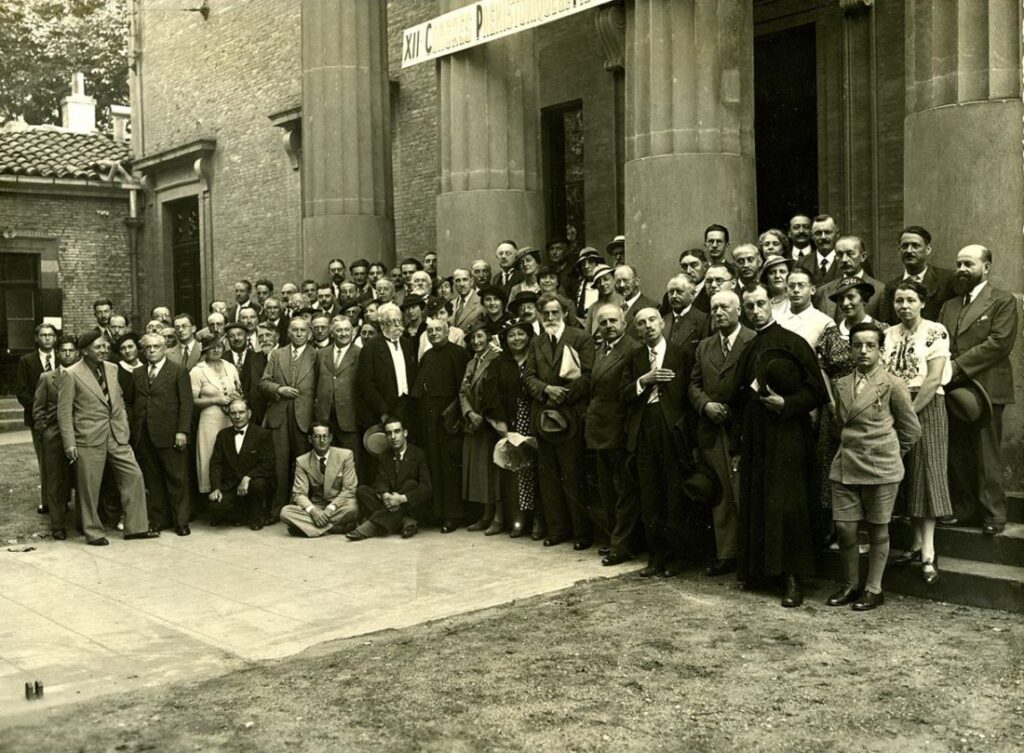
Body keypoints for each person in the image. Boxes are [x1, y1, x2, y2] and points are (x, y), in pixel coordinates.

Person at [732, 285, 828, 607]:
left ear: (774, 304)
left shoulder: (794, 343)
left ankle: (792, 578)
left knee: (789, 504)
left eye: (761, 304)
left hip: (788, 435)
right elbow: (739, 397)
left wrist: (786, 403)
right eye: (750, 306)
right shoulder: (749, 348)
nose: (756, 310)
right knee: (760, 499)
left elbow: (817, 392)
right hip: (757, 437)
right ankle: (762, 572)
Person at [829, 322, 921, 610]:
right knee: (845, 528)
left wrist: (888, 454)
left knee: (878, 529)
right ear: (851, 349)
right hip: (846, 464)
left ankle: (874, 588)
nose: (864, 351)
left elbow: (910, 430)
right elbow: (837, 424)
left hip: (880, 466)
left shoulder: (893, 384)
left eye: (871, 346)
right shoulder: (840, 383)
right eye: (857, 345)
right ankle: (851, 584)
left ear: (881, 350)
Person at [938, 245, 1019, 534]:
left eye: (968, 264)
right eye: (958, 263)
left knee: (986, 452)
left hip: (986, 387)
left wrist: (957, 366)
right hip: (954, 388)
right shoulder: (949, 306)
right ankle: (966, 510)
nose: (961, 269)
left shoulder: (1002, 300)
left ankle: (993, 515)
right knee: (958, 451)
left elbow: (999, 343)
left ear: (986, 267)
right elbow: (939, 342)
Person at [883, 280, 953, 583]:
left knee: (925, 475)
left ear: (922, 302)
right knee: (906, 475)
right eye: (899, 301)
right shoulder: (887, 334)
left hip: (927, 408)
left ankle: (929, 553)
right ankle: (914, 544)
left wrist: (909, 414)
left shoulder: (935, 331)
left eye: (911, 300)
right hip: (896, 408)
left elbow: (934, 378)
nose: (905, 306)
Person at [57, 330, 157, 546]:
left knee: (134, 476)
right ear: (84, 351)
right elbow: (64, 413)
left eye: (105, 346)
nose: (104, 350)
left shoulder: (112, 369)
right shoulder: (71, 374)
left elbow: (117, 399)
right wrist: (69, 443)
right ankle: (93, 532)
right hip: (88, 438)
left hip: (117, 435)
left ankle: (136, 528)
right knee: (89, 488)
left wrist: (124, 427)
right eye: (99, 347)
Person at [688, 291, 755, 576]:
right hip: (713, 429)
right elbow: (693, 384)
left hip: (742, 427)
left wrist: (732, 407)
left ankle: (750, 556)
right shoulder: (704, 346)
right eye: (714, 308)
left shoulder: (752, 340)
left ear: (739, 310)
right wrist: (706, 405)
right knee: (722, 495)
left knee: (745, 491)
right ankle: (726, 554)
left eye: (724, 307)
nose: (717, 312)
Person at [622, 307, 691, 577]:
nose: (648, 325)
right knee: (650, 495)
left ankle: (676, 557)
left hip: (672, 430)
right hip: (644, 428)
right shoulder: (635, 357)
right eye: (641, 323)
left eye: (652, 320)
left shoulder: (680, 353)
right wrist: (644, 380)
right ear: (637, 330)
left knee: (674, 493)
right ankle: (656, 557)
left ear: (662, 324)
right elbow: (623, 393)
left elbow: (688, 393)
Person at [524, 292, 595, 549]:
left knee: (573, 473)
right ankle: (557, 529)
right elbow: (529, 376)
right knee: (549, 476)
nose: (550, 317)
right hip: (543, 416)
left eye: (555, 312)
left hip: (571, 415)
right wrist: (546, 390)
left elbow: (587, 375)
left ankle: (582, 532)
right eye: (546, 313)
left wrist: (561, 395)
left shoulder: (580, 337)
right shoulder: (537, 342)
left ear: (564, 313)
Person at [585, 304, 639, 565]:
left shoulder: (631, 349)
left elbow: (627, 392)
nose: (608, 325)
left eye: (612, 321)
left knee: (622, 491)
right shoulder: (600, 350)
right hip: (599, 430)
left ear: (624, 323)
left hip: (619, 429)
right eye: (603, 322)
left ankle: (622, 544)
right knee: (607, 490)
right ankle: (612, 538)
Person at [127, 334, 194, 535]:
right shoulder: (137, 373)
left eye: (157, 346)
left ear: (165, 348)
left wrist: (182, 431)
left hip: (170, 433)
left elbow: (186, 403)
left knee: (177, 478)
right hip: (144, 434)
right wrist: (134, 424)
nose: (152, 350)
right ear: (143, 350)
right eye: (148, 347)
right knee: (153, 479)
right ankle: (159, 519)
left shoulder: (178, 371)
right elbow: (131, 401)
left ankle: (181, 521)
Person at [411, 317, 470, 531]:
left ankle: (452, 515)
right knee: (433, 466)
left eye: (438, 330)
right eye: (430, 330)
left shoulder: (458, 353)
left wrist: (453, 418)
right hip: (429, 420)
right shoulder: (427, 355)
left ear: (448, 332)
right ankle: (437, 512)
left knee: (449, 468)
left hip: (448, 420)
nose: (434, 333)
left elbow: (462, 390)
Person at [485, 318, 540, 538]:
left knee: (535, 470)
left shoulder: (536, 359)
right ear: (505, 340)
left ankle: (537, 519)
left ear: (528, 336)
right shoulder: (498, 363)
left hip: (533, 421)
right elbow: (490, 395)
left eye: (520, 334)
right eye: (511, 335)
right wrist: (501, 425)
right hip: (508, 422)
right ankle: (517, 520)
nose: (516, 339)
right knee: (512, 472)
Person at [260, 316, 317, 519]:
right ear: (288, 332)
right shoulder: (277, 354)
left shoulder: (316, 355)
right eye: (295, 330)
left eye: (303, 330)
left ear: (309, 333)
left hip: (304, 417)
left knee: (303, 464)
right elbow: (264, 382)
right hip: (280, 416)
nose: (299, 334)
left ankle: (302, 509)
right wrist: (279, 389)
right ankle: (277, 509)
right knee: (280, 465)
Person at [347, 417, 432, 540]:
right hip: (390, 503)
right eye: (389, 433)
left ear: (405, 433)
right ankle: (404, 521)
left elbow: (427, 488)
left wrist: (401, 499)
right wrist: (385, 494)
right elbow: (381, 480)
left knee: (411, 484)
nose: (393, 437)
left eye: (397, 431)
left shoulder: (418, 454)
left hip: (410, 505)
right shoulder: (384, 456)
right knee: (362, 490)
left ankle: (372, 526)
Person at [31, 335, 79, 539]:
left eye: (71, 350)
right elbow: (38, 409)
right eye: (63, 351)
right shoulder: (47, 378)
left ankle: (83, 522)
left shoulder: (84, 375)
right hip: (55, 437)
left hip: (80, 435)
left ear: (77, 353)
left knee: (81, 480)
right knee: (56, 481)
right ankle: (58, 525)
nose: (67, 354)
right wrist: (45, 431)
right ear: (57, 353)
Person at [460, 320, 504, 534]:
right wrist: (469, 413)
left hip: (490, 422)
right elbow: (462, 392)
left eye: (480, 337)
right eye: (472, 338)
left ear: (488, 337)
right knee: (480, 472)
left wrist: (483, 416)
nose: (476, 341)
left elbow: (496, 392)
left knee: (494, 471)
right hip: (474, 421)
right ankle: (485, 514)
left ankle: (497, 516)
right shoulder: (471, 363)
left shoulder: (497, 358)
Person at [279, 424, 360, 537]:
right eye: (317, 436)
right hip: (316, 505)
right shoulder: (302, 461)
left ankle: (308, 528)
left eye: (325, 436)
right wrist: (313, 511)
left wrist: (330, 509)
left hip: (338, 505)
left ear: (330, 438)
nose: (322, 440)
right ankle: (335, 528)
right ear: (310, 439)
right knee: (285, 512)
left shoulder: (345, 455)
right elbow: (299, 494)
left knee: (353, 507)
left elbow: (349, 489)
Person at [208, 399, 275, 529]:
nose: (237, 417)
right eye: (233, 413)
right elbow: (216, 464)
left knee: (259, 484)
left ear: (249, 413)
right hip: (231, 485)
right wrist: (215, 488)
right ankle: (240, 513)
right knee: (215, 505)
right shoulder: (223, 435)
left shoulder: (262, 434)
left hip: (253, 483)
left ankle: (256, 516)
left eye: (241, 412)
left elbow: (267, 464)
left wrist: (248, 477)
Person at [191, 334, 243, 501]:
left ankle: (231, 496)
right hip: (210, 420)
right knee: (211, 455)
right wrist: (216, 400)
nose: (216, 350)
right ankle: (211, 497)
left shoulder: (230, 367)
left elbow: (240, 391)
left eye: (219, 346)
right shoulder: (198, 371)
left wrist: (236, 396)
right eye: (211, 347)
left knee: (232, 453)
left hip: (230, 418)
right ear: (205, 350)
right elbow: (192, 401)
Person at [357, 303, 418, 432]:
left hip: (406, 406)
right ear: (382, 324)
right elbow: (366, 383)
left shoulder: (407, 344)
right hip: (383, 409)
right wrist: (383, 411)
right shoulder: (371, 347)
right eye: (392, 321)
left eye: (399, 321)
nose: (397, 325)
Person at [16, 322, 57, 515]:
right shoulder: (27, 361)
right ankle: (47, 501)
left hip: (62, 417)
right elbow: (22, 391)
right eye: (43, 335)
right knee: (45, 460)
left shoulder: (65, 357)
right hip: (39, 418)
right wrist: (40, 410)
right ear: (36, 338)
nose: (47, 338)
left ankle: (62, 499)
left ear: (55, 338)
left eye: (50, 334)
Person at [877, 226, 957, 325]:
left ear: (928, 249)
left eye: (915, 246)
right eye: (905, 246)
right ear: (899, 251)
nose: (909, 251)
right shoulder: (891, 286)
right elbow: (886, 325)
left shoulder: (947, 279)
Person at [314, 315, 362, 461]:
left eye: (347, 330)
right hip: (325, 416)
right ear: (332, 332)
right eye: (339, 330)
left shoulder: (360, 353)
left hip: (349, 417)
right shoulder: (321, 354)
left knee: (350, 459)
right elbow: (316, 381)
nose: (343, 334)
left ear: (353, 332)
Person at [813, 236, 885, 321]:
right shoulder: (823, 291)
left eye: (850, 254)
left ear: (863, 257)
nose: (844, 259)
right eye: (839, 254)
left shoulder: (880, 291)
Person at [776, 268, 835, 349]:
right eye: (792, 286)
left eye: (801, 285)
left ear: (812, 290)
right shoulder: (776, 319)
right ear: (786, 290)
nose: (796, 290)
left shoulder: (825, 323)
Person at [663, 274, 710, 350]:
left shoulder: (703, 320)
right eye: (671, 292)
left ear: (692, 295)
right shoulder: (663, 320)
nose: (674, 296)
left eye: (679, 292)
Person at [796, 214, 841, 286]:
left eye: (828, 232)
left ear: (837, 234)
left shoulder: (845, 261)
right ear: (812, 236)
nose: (823, 237)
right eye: (818, 233)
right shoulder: (801, 264)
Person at [583, 264, 623, 337]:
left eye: (606, 279)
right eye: (598, 282)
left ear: (614, 280)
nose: (602, 284)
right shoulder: (593, 308)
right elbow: (587, 336)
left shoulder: (624, 302)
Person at [614, 264, 658, 330]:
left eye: (625, 280)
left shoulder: (651, 306)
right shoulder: (618, 309)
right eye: (618, 282)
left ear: (637, 281)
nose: (622, 285)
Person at [677, 249, 711, 313]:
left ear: (705, 266)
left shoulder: (711, 294)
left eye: (694, 265)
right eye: (684, 266)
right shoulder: (673, 294)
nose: (688, 271)